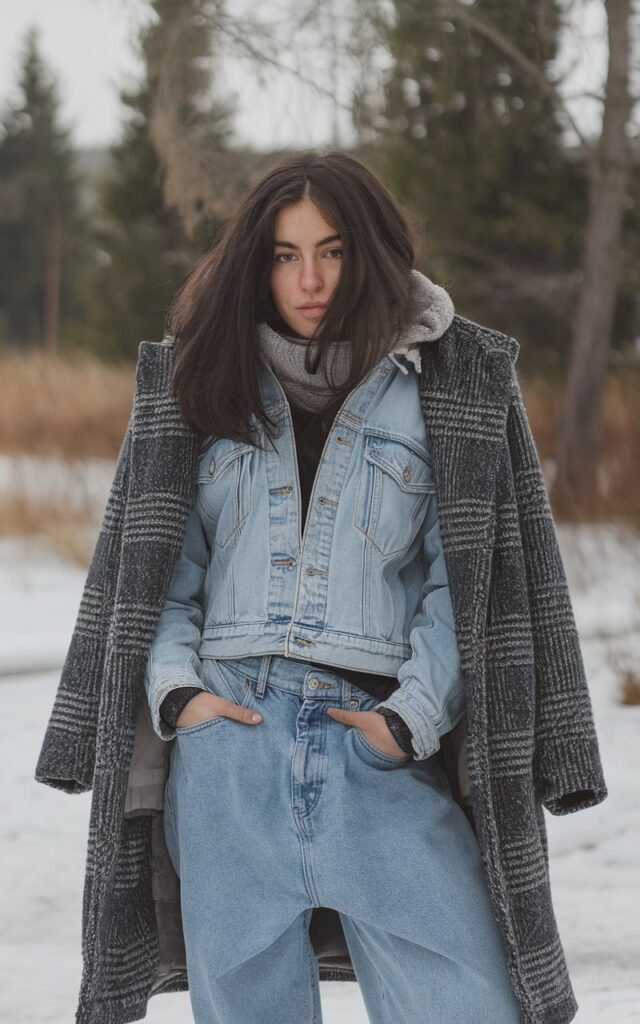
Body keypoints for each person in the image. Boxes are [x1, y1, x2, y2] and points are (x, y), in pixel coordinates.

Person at [34, 149, 607, 1024]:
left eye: (332, 251)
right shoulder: (198, 376)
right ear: (256, 264)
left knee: (472, 1003)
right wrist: (182, 697)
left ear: (371, 252)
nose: (310, 279)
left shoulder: (453, 381)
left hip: (373, 747)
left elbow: (471, 588)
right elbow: (150, 581)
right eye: (285, 254)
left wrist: (407, 720)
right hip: (228, 752)